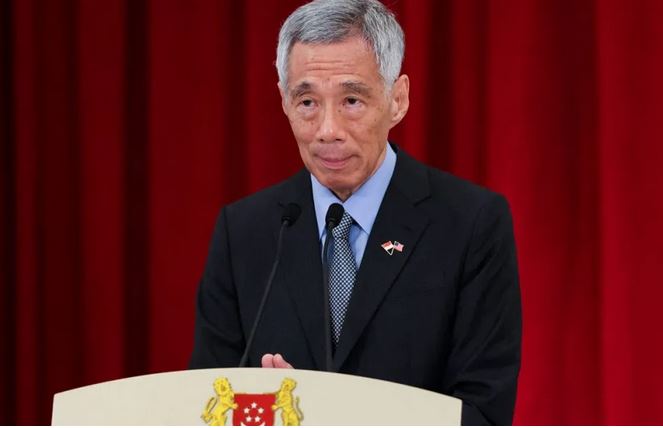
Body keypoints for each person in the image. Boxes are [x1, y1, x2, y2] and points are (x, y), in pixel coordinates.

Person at [190, 0, 521, 424]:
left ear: (397, 99)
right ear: (284, 102)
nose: (328, 130)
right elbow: (208, 403)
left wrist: (324, 413)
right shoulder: (245, 232)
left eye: (351, 100)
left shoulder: (470, 223)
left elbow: (482, 413)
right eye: (307, 102)